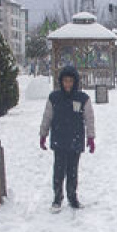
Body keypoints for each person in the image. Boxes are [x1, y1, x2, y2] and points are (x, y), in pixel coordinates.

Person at [39, 65, 95, 211]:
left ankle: (72, 197)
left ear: (75, 82)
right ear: (61, 82)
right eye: (65, 81)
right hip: (59, 140)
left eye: (70, 81)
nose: (68, 84)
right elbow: (47, 117)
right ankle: (57, 198)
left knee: (72, 171)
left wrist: (90, 137)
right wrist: (43, 134)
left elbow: (89, 118)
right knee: (58, 171)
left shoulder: (83, 99)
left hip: (75, 141)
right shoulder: (54, 98)